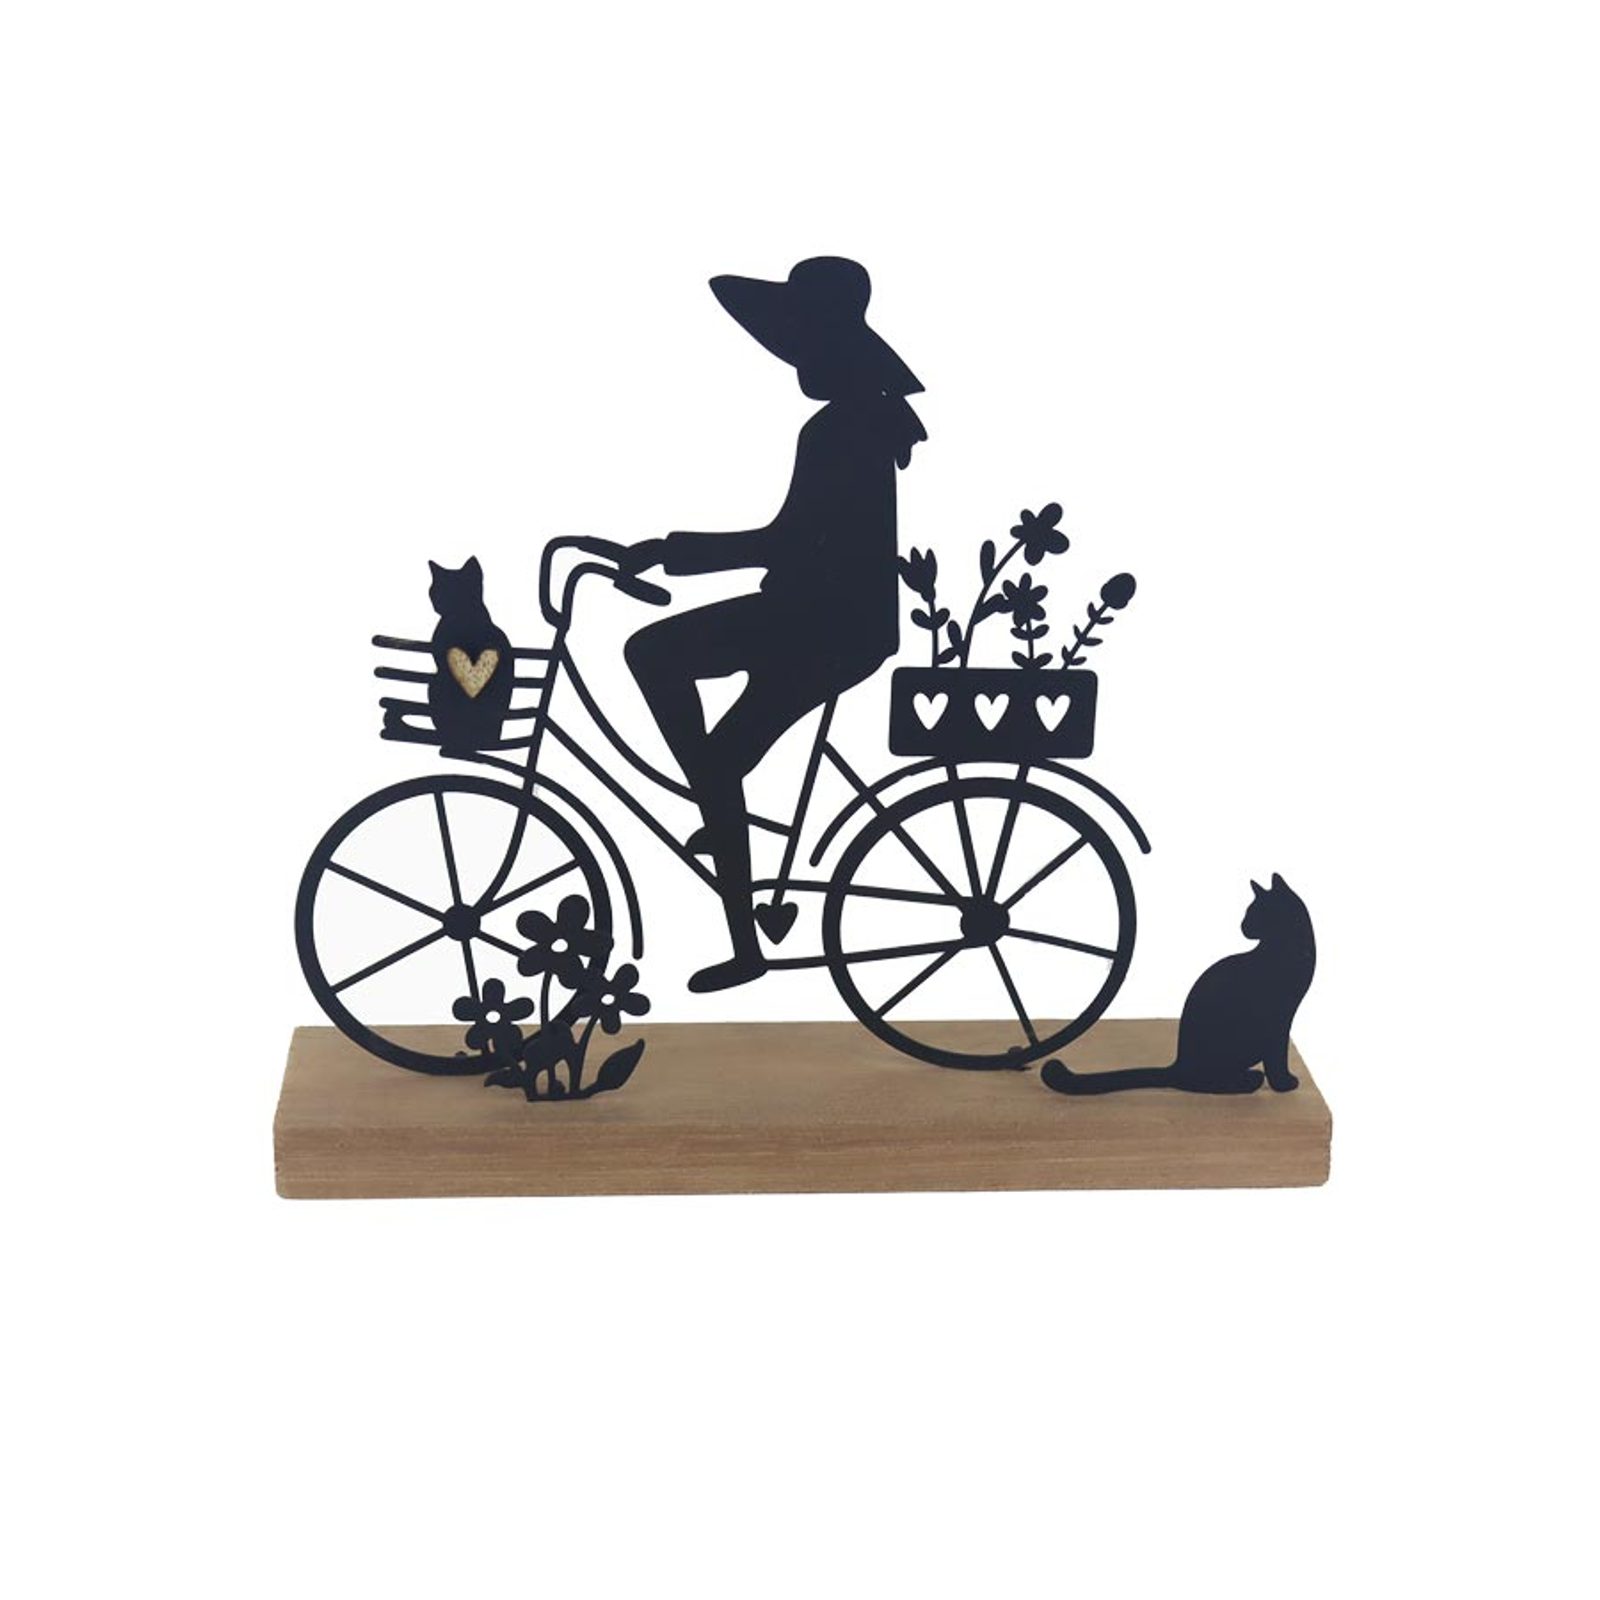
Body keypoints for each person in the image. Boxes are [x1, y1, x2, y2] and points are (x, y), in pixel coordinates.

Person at [622, 257, 926, 992]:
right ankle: (718, 804)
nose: (793, 363)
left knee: (653, 652)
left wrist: (671, 552)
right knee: (708, 741)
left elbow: (787, 542)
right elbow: (796, 545)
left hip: (824, 625)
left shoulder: (840, 429)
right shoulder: (857, 421)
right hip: (823, 618)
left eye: (800, 347)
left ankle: (740, 921)